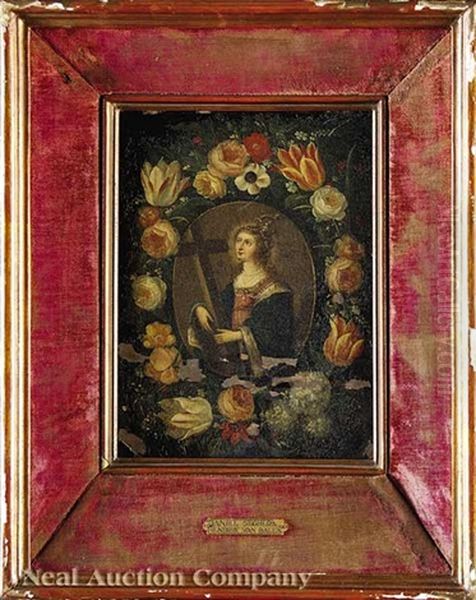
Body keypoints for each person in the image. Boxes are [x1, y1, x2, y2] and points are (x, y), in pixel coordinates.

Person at [188, 215, 294, 378]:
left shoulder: (277, 290)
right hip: (233, 357)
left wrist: (238, 335)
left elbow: (274, 331)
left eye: (248, 242)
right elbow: (220, 313)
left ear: (260, 248)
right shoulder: (234, 285)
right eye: (239, 240)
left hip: (261, 360)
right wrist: (200, 310)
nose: (240, 246)